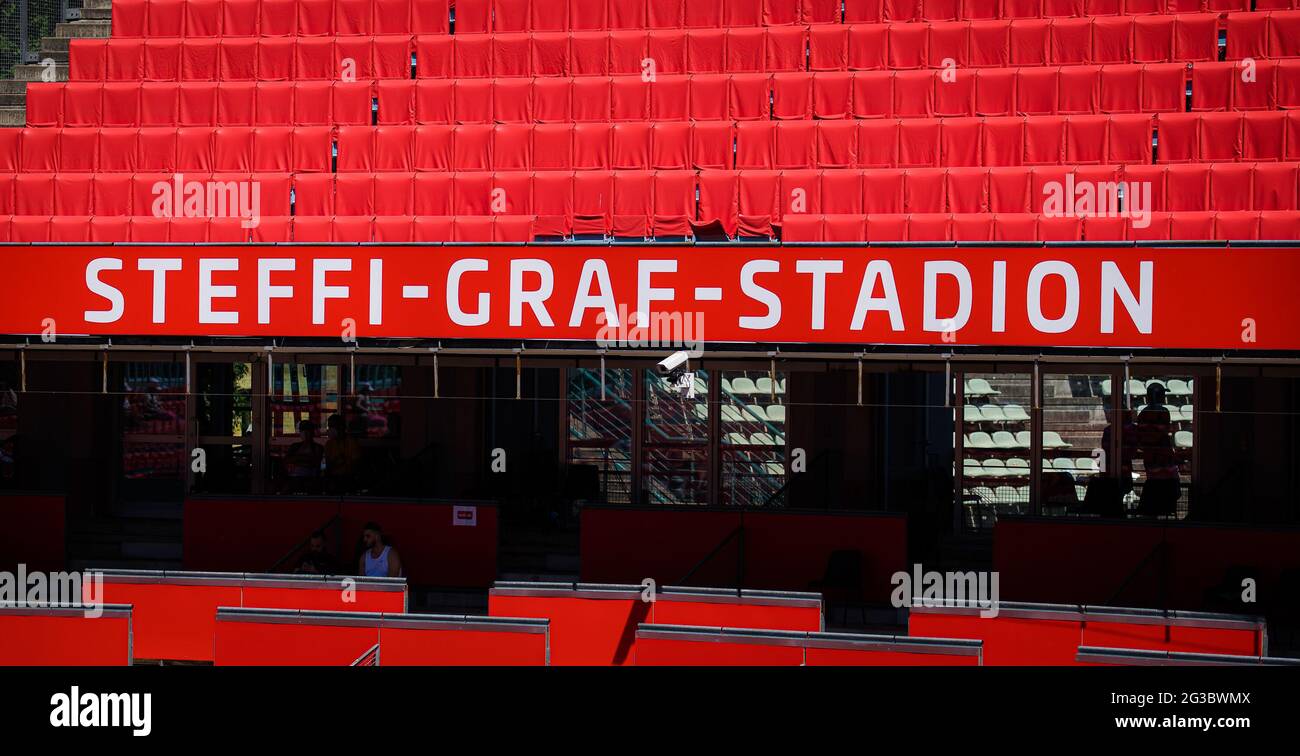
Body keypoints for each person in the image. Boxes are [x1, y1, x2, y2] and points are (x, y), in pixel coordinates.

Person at [1135, 383, 1180, 517]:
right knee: (1162, 485)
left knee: (1155, 484)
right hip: (1161, 457)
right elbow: (1162, 431)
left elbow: (1141, 436)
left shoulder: (1143, 413)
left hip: (1151, 457)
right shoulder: (1163, 412)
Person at [323, 413, 363, 492]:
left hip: (348, 479)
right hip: (333, 480)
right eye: (329, 426)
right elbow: (328, 466)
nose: (329, 429)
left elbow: (356, 465)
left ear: (341, 427)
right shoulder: (329, 444)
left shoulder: (352, 442)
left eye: (332, 426)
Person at [282, 419, 324, 492]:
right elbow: (287, 460)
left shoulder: (317, 448)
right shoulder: (295, 446)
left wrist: (298, 460)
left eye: (307, 431)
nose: (305, 433)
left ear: (312, 433)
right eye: (302, 431)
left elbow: (315, 463)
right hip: (295, 480)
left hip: (311, 481)